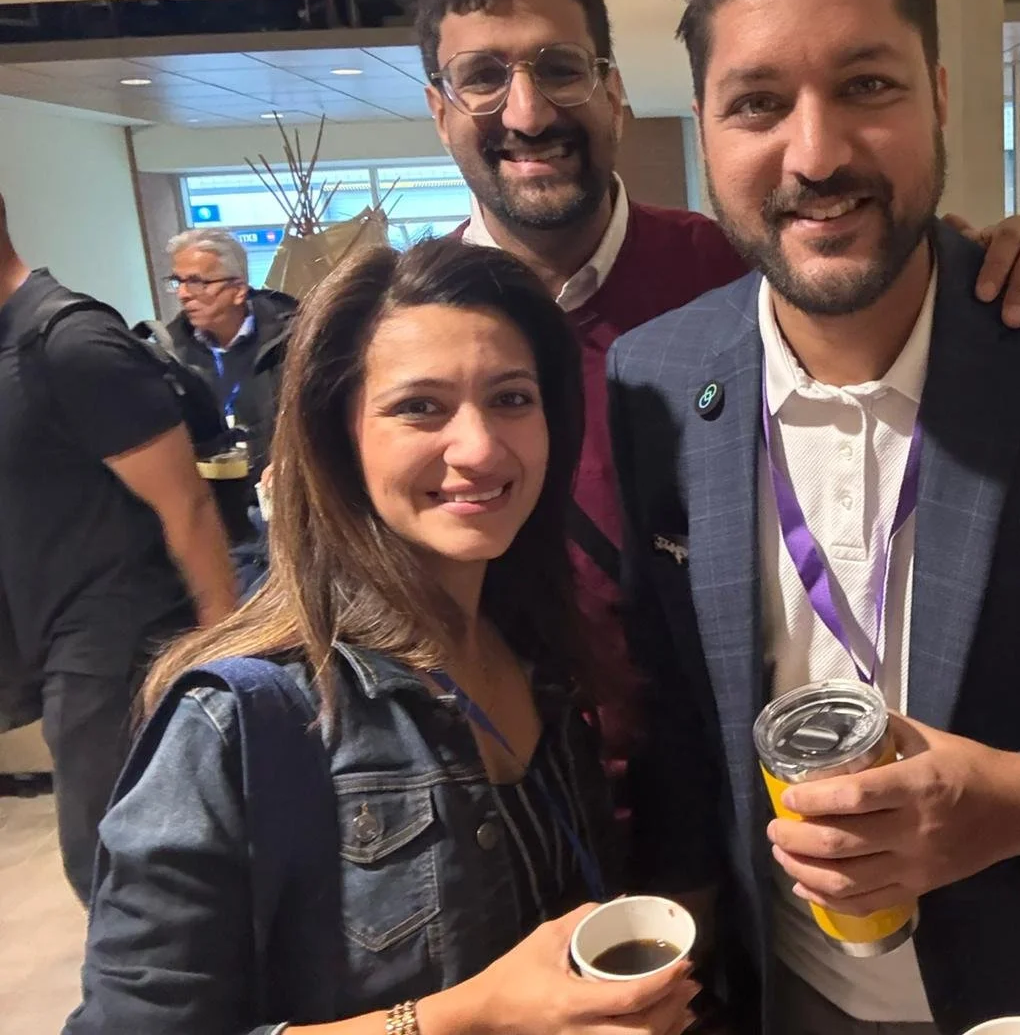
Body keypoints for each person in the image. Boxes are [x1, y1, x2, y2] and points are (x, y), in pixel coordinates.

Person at [607, 0, 1020, 1035]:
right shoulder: (657, 377)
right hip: (780, 1001)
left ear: (936, 93)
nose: (816, 152)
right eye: (757, 103)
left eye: (865, 85)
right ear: (706, 127)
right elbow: (680, 715)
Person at [417, 0, 1020, 753]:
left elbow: (880, 260)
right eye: (481, 78)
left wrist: (977, 266)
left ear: (613, 89)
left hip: (709, 791)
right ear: (437, 107)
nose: (526, 113)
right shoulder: (402, 330)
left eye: (559, 69)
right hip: (516, 778)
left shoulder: (739, 268)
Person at [70, 238, 699, 1035]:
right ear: (339, 436)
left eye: (511, 399)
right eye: (420, 407)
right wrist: (465, 1020)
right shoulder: (239, 722)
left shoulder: (540, 658)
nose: (479, 448)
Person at [0, 188, 236, 903]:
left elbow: (188, 507)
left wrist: (227, 656)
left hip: (118, 639)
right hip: (55, 631)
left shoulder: (70, 342)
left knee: (112, 860)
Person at [164, 228, 298, 484]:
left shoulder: (293, 340)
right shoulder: (171, 353)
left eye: (196, 282)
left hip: (284, 495)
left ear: (237, 290)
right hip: (214, 502)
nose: (183, 294)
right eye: (177, 281)